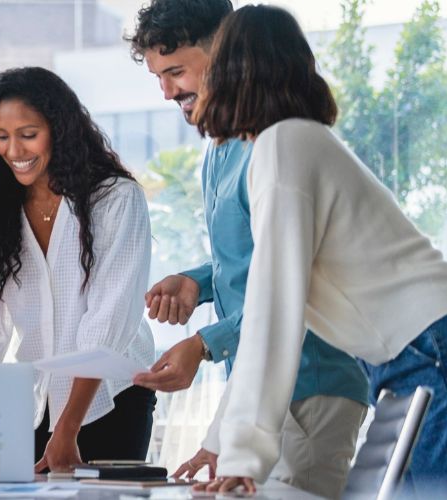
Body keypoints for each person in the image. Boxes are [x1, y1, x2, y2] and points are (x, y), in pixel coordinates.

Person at [172, 5, 447, 496]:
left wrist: (242, 455)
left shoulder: (284, 148)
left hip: (428, 342)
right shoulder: (292, 142)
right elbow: (267, 315)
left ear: (232, 72)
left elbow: (275, 311)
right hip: (420, 343)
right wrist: (225, 442)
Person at [128, 1, 372, 496]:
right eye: (158, 76)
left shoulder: (276, 145)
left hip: (309, 387)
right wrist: (199, 282)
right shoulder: (219, 148)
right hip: (262, 391)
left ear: (227, 49)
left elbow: (288, 287)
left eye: (175, 71)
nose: (168, 91)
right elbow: (252, 264)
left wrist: (203, 345)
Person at [0, 67, 159, 473]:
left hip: (112, 399)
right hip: (36, 404)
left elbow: (106, 324)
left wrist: (66, 430)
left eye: (28, 134)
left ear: (59, 130)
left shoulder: (115, 199)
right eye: (1, 136)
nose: (14, 150)